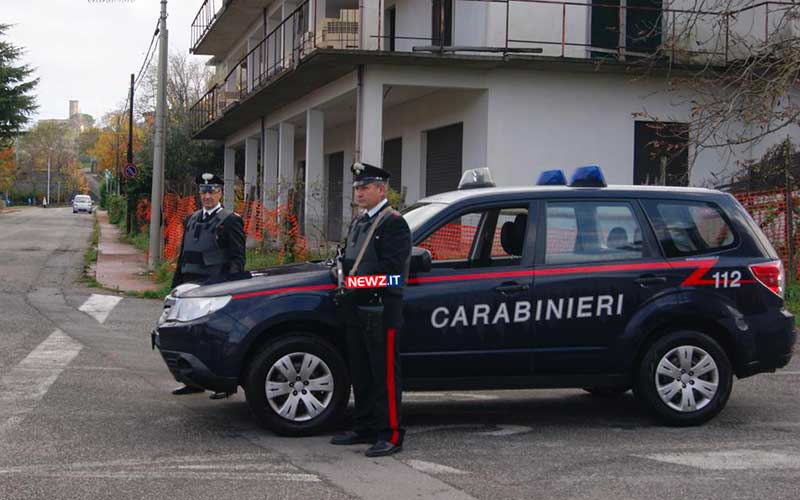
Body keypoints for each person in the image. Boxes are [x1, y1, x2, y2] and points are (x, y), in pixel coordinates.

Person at [331, 162, 412, 457]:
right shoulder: (359, 222)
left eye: (364, 187)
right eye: (357, 188)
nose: (359, 192)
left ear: (381, 189)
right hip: (357, 310)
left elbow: (394, 275)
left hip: (380, 309)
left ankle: (390, 433)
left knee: (384, 376)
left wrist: (357, 283)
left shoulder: (393, 223)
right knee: (361, 374)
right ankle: (364, 426)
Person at [170, 172, 246, 399]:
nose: (207, 196)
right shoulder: (191, 218)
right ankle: (192, 381)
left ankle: (223, 386)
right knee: (188, 337)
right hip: (190, 287)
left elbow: (237, 259)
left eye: (212, 191)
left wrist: (231, 287)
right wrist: (175, 286)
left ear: (220, 193)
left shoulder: (230, 220)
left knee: (216, 339)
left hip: (215, 288)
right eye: (203, 191)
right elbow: (184, 255)